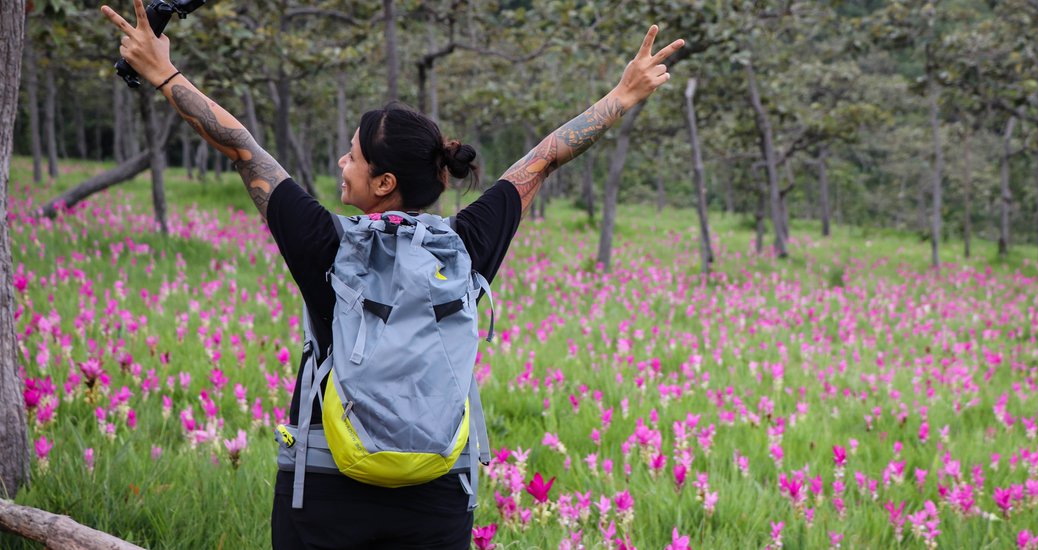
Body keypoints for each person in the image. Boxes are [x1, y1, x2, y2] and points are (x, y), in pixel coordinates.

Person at [102, 0, 684, 547]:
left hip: (326, 492)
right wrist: (623, 94)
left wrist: (163, 73)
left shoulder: (325, 244)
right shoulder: (465, 246)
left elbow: (241, 147)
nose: (341, 162)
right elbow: (546, 157)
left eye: (353, 156)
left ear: (383, 182)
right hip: (437, 496)